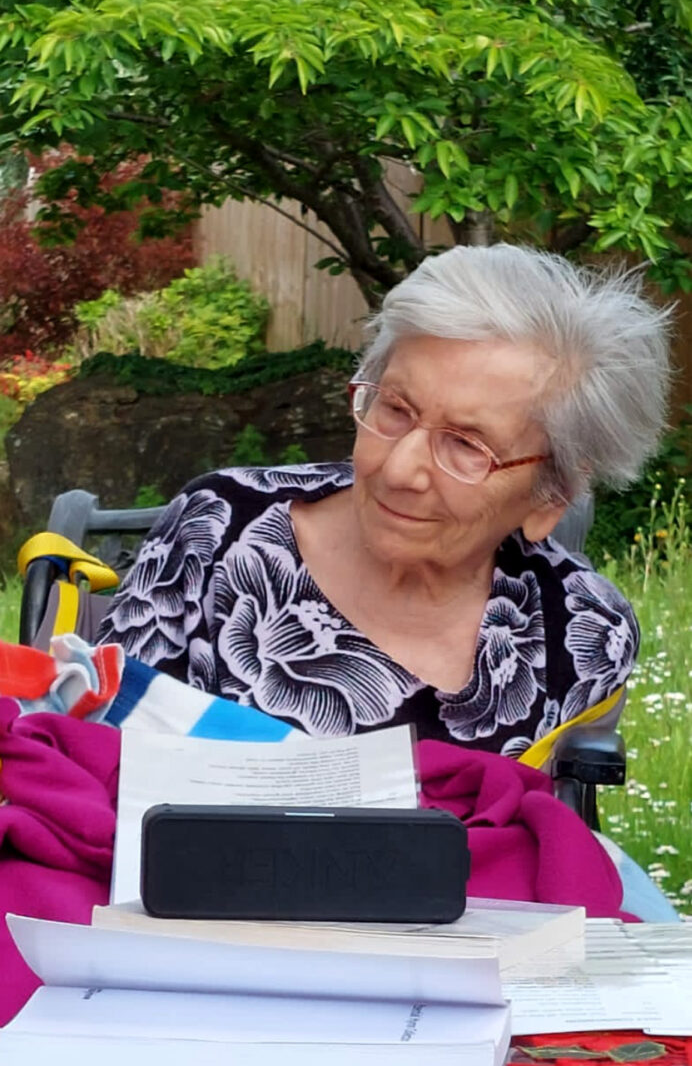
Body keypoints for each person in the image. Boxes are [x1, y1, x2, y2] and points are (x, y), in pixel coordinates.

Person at [97, 244, 671, 758]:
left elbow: (550, 832)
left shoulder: (582, 629)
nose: (397, 469)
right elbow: (91, 763)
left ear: (552, 495)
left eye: (467, 446)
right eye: (395, 409)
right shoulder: (217, 528)